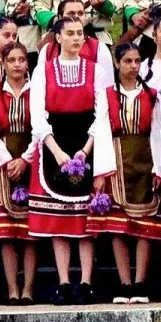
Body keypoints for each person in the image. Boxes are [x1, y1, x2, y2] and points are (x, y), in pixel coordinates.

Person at [29, 16, 112, 304]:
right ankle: (64, 282)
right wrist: (56, 151)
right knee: (59, 220)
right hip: (54, 144)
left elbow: (102, 114)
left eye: (80, 33)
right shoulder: (43, 70)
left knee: (85, 219)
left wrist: (85, 151)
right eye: (71, 33)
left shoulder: (95, 70)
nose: (77, 38)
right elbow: (37, 114)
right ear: (58, 37)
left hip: (86, 143)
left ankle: (86, 282)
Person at [91, 42, 161, 303]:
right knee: (119, 227)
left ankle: (140, 283)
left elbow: (157, 133)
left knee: (144, 225)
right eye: (127, 61)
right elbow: (102, 132)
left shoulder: (152, 95)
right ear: (117, 63)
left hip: (145, 158)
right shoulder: (107, 95)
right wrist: (101, 172)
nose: (133, 66)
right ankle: (124, 283)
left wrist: (159, 168)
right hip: (117, 159)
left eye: (137, 61)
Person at [0, 40, 38, 303]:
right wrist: (8, 161)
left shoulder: (37, 91)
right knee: (8, 233)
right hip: (1, 164)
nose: (17, 65)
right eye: (11, 60)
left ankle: (29, 289)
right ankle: (13, 288)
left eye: (21, 60)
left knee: (31, 232)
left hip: (32, 162)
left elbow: (41, 128)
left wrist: (25, 159)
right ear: (3, 64)